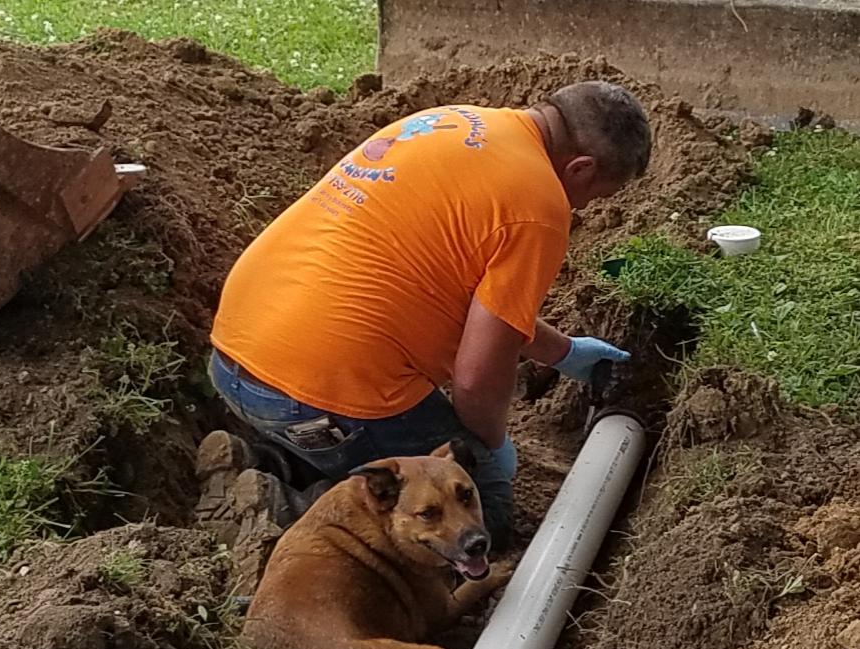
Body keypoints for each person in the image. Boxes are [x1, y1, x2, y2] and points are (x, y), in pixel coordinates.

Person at [201, 79, 651, 551]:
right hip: (318, 395)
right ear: (581, 167)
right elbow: (474, 381)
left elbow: (480, 305)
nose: (582, 208)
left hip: (237, 357)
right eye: (593, 196)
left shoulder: (454, 122)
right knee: (478, 518)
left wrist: (564, 353)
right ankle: (289, 510)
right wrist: (486, 450)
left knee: (399, 458)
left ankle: (266, 463)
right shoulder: (539, 204)